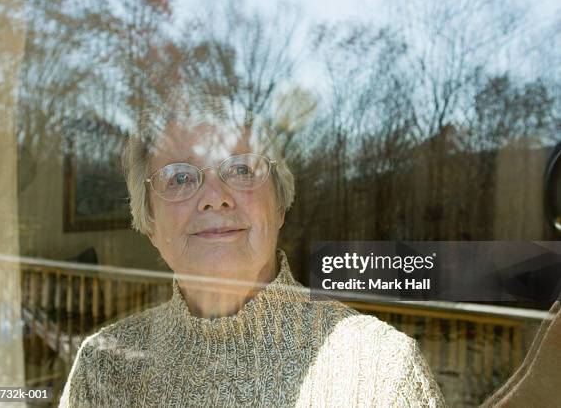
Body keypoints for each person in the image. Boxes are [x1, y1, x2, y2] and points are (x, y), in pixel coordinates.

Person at [58, 98, 447, 407]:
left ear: (279, 205)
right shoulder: (104, 367)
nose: (215, 198)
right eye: (179, 177)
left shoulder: (379, 369)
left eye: (242, 170)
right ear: (148, 222)